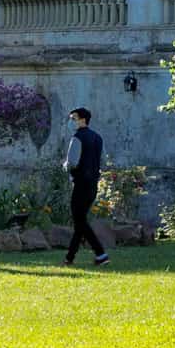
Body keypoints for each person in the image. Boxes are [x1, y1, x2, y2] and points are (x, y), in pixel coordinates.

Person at [63, 106, 109, 267]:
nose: (71, 121)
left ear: (82, 119)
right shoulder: (98, 138)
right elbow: (104, 161)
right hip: (93, 185)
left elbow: (72, 163)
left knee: (80, 221)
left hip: (81, 184)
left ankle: (100, 253)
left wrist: (65, 166)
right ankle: (69, 258)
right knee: (79, 222)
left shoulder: (77, 138)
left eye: (73, 118)